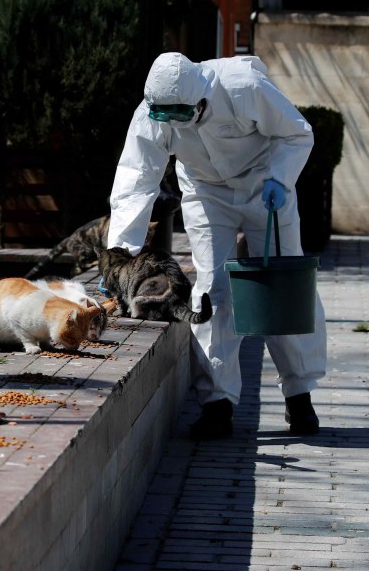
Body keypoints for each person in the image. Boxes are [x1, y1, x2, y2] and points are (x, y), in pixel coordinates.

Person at [106, 51, 327, 439]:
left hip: (266, 187)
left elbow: (296, 132)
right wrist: (121, 253)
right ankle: (217, 403)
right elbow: (136, 177)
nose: (172, 123)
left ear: (202, 99)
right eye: (165, 116)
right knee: (212, 291)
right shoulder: (152, 111)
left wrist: (279, 176)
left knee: (284, 288)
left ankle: (299, 397)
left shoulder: (243, 86)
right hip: (207, 193)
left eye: (181, 115)